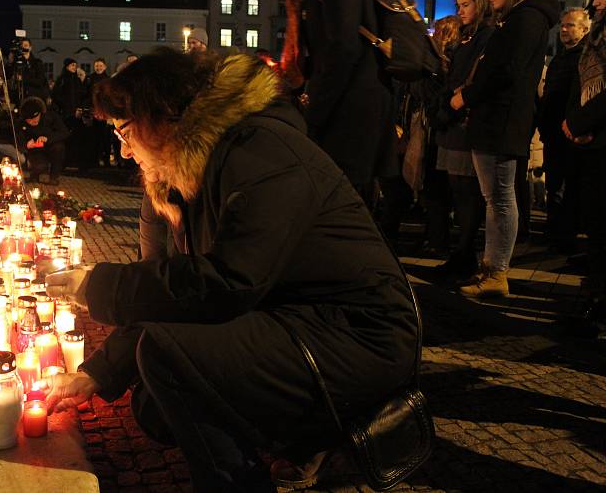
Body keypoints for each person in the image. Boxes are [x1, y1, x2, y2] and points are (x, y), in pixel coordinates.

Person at [42, 49, 418, 492]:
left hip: (358, 334)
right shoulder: (188, 175)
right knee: (153, 405)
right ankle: (292, 440)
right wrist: (99, 372)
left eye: (125, 132)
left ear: (163, 116)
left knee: (165, 360)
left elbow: (231, 281)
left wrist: (99, 285)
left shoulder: (259, 149)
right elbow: (177, 289)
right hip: (297, 319)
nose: (124, 151)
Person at [450, 0, 558, 297]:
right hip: (498, 120)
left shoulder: (525, 19)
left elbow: (505, 71)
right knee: (495, 196)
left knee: (498, 197)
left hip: (501, 122)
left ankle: (496, 273)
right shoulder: (520, 19)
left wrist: (467, 95)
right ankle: (491, 269)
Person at [282, 0, 397, 208]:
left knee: (343, 205)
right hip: (344, 102)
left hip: (350, 108)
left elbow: (344, 47)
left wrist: (314, 113)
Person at [433, 0, 494, 278]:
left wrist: (452, 103)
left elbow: (473, 79)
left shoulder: (485, 35)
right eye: (458, 5)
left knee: (467, 193)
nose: (460, 11)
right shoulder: (469, 36)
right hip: (453, 121)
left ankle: (465, 255)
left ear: (479, 3)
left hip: (463, 122)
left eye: (466, 5)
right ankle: (462, 254)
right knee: (458, 191)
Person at [562, 0, 606, 330]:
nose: (597, 2)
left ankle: (600, 299)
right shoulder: (598, 35)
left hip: (602, 140)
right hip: (593, 141)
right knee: (595, 225)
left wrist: (580, 123)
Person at [538, 8, 590, 252]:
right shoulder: (561, 57)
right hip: (554, 132)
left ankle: (563, 235)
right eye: (563, 25)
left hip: (568, 133)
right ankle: (556, 230)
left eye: (570, 25)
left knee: (566, 186)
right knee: (554, 184)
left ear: (584, 29)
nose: (564, 30)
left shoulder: (582, 58)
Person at [16, 97, 68, 185]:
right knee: (39, 166)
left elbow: (64, 133)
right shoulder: (21, 123)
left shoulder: (51, 117)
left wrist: (48, 139)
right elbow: (17, 138)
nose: (33, 121)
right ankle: (34, 174)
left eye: (36, 117)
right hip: (35, 151)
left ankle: (53, 177)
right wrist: (26, 145)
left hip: (51, 147)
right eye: (30, 120)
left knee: (59, 147)